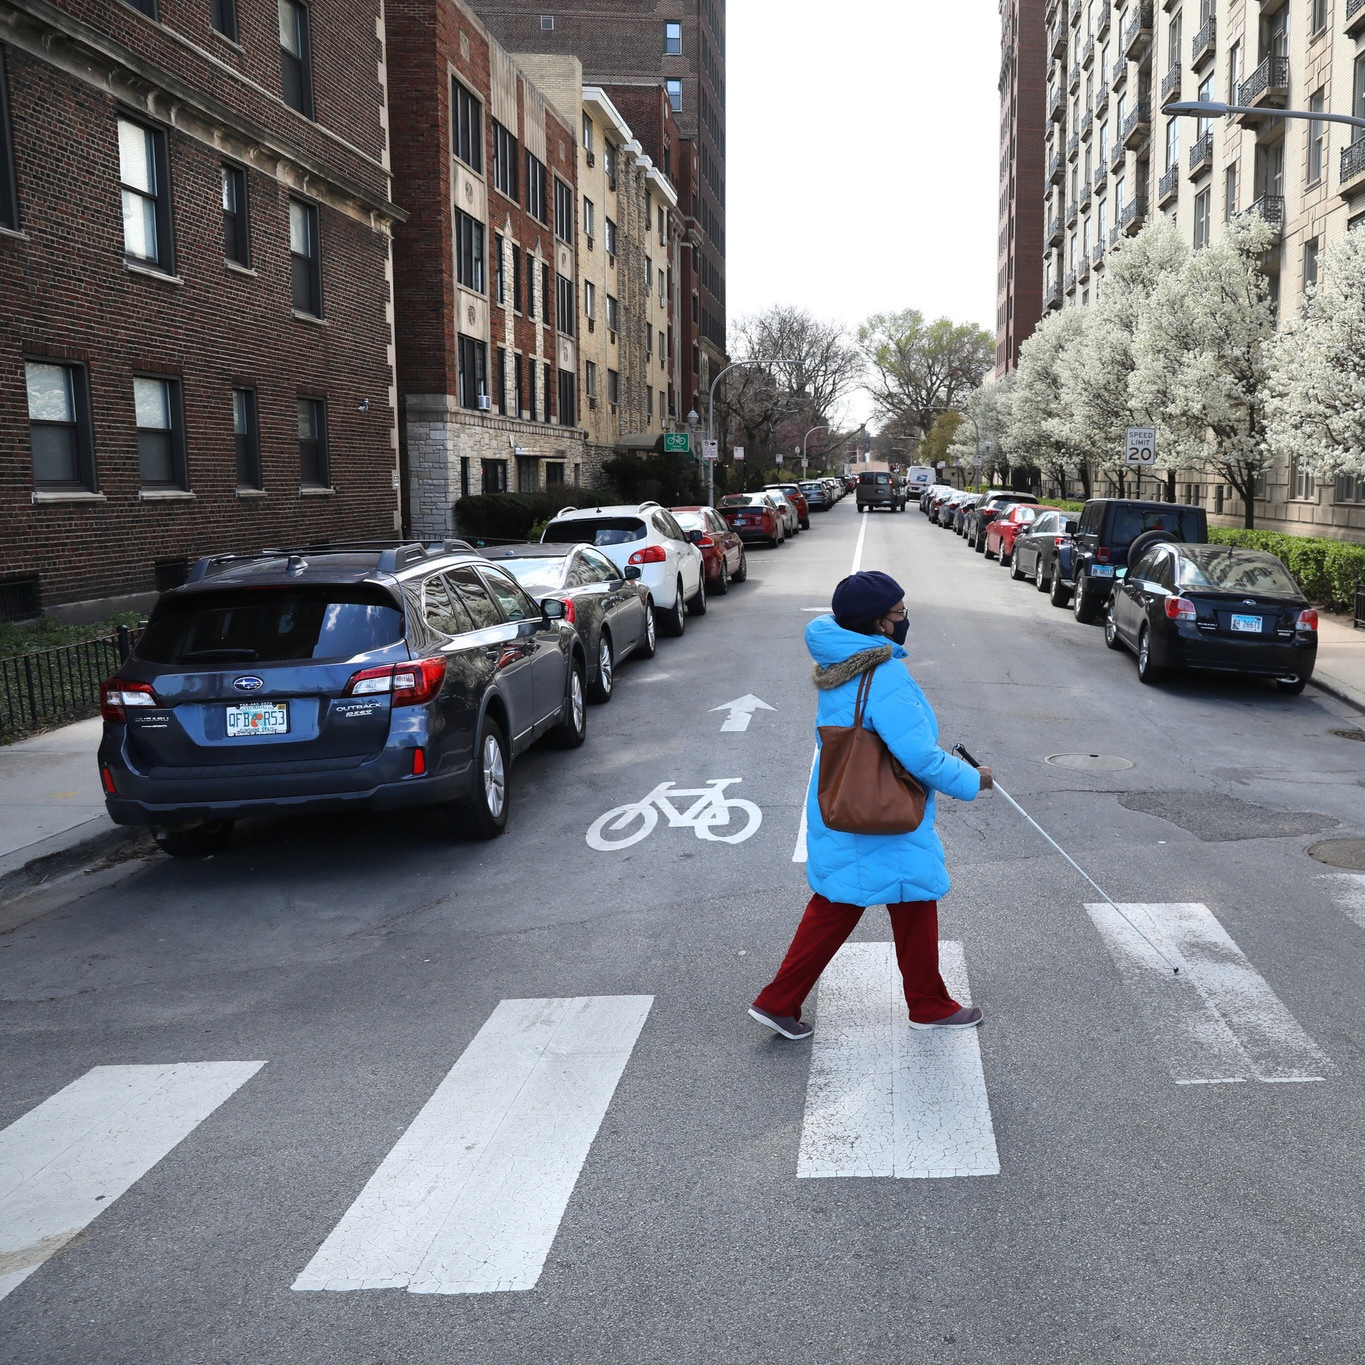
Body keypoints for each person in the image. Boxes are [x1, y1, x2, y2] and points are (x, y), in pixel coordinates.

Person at [748, 570, 992, 1042]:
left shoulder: (841, 662)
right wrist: (972, 779)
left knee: (843, 902)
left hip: (843, 799)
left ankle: (779, 1000)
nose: (905, 620)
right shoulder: (885, 675)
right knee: (910, 895)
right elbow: (918, 755)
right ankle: (929, 1004)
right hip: (885, 809)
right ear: (880, 624)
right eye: (899, 613)